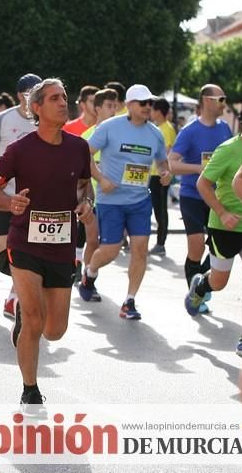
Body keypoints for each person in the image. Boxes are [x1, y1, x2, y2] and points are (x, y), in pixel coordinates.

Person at [0, 78, 93, 413]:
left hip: (62, 245)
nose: (64, 103)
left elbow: (84, 187)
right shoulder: (19, 150)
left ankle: (25, 312)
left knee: (55, 330)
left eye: (65, 97)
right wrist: (9, 202)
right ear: (38, 108)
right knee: (33, 320)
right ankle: (30, 389)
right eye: (56, 98)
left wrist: (86, 203)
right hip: (24, 243)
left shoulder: (79, 148)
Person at [78, 84, 171, 319]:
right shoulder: (110, 127)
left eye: (150, 103)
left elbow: (162, 162)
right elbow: (83, 154)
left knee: (140, 251)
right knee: (110, 250)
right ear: (129, 105)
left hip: (139, 201)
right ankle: (89, 272)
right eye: (143, 103)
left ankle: (129, 301)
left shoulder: (155, 133)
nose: (148, 107)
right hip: (111, 200)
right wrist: (100, 178)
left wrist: (165, 172)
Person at [186, 103, 242, 358]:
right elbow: (203, 183)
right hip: (226, 226)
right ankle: (200, 287)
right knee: (219, 281)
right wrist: (223, 212)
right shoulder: (228, 150)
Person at [0, 73, 41, 318]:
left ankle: (13, 298)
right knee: (4, 248)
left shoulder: (45, 122)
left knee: (27, 252)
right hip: (5, 195)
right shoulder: (3, 119)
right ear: (19, 95)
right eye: (30, 92)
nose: (34, 97)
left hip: (34, 198)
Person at [169, 84, 233, 302]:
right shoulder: (190, 131)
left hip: (218, 197)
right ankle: (194, 294)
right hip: (193, 195)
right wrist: (199, 169)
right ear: (207, 100)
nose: (224, 104)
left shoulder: (225, 128)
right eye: (221, 99)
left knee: (220, 247)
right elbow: (173, 164)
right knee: (196, 244)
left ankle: (202, 285)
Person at [77, 88, 119, 300]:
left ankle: (87, 274)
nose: (113, 110)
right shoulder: (88, 136)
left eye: (115, 106)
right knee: (92, 241)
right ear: (98, 108)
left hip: (117, 198)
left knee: (109, 245)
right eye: (109, 106)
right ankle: (87, 280)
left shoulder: (121, 134)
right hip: (93, 195)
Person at [148, 97, 177, 256]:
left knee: (160, 210)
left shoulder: (166, 129)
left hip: (160, 176)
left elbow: (164, 153)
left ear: (158, 111)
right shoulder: (159, 127)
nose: (150, 112)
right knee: (155, 208)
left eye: (152, 109)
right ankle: (159, 242)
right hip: (152, 175)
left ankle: (161, 243)